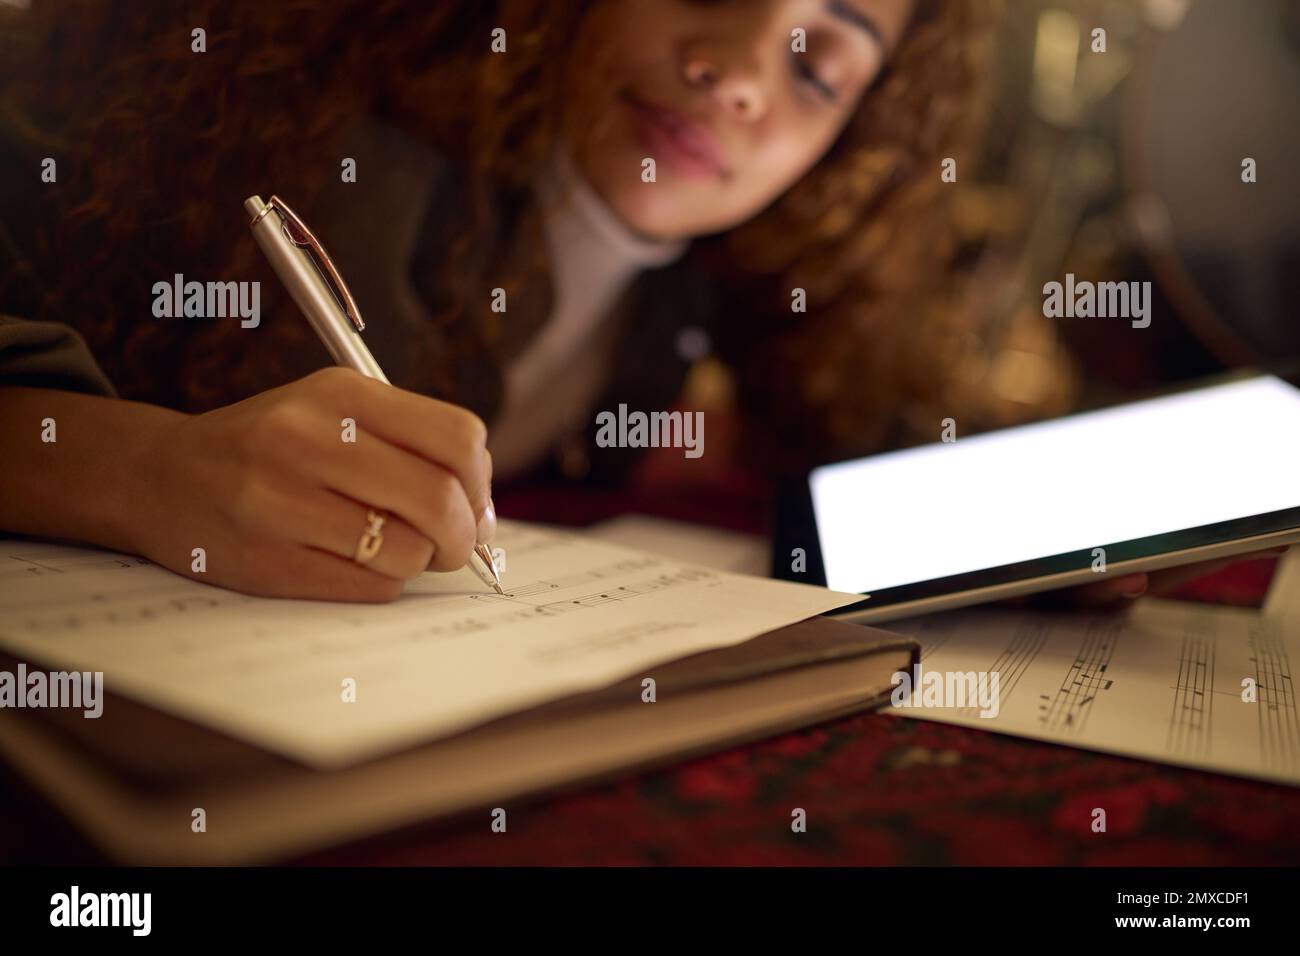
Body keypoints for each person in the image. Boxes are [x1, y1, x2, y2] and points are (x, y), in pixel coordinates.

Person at [0, 0, 1268, 603]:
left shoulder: (713, 293)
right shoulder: (299, 124)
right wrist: (147, 472)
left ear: (861, 135)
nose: (733, 75)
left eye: (820, 59)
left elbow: (836, 423)